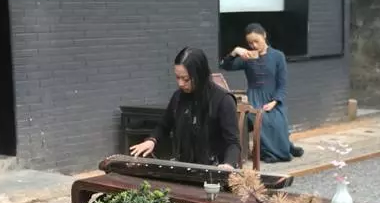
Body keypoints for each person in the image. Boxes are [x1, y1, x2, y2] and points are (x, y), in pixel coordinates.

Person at [130, 47, 241, 169]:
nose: (180, 83)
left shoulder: (223, 100)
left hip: (214, 168)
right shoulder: (178, 97)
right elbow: (164, 125)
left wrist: (228, 164)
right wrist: (151, 140)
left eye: (186, 79)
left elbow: (233, 143)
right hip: (184, 165)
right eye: (177, 77)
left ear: (200, 75)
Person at [218, 23, 304, 163]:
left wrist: (274, 102)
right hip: (254, 99)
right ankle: (273, 151)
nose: (253, 45)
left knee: (277, 120)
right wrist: (235, 52)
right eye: (250, 43)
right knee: (261, 118)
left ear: (264, 35)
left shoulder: (278, 56)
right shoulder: (248, 57)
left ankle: (286, 147)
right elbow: (224, 66)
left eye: (256, 41)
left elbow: (282, 85)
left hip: (273, 98)